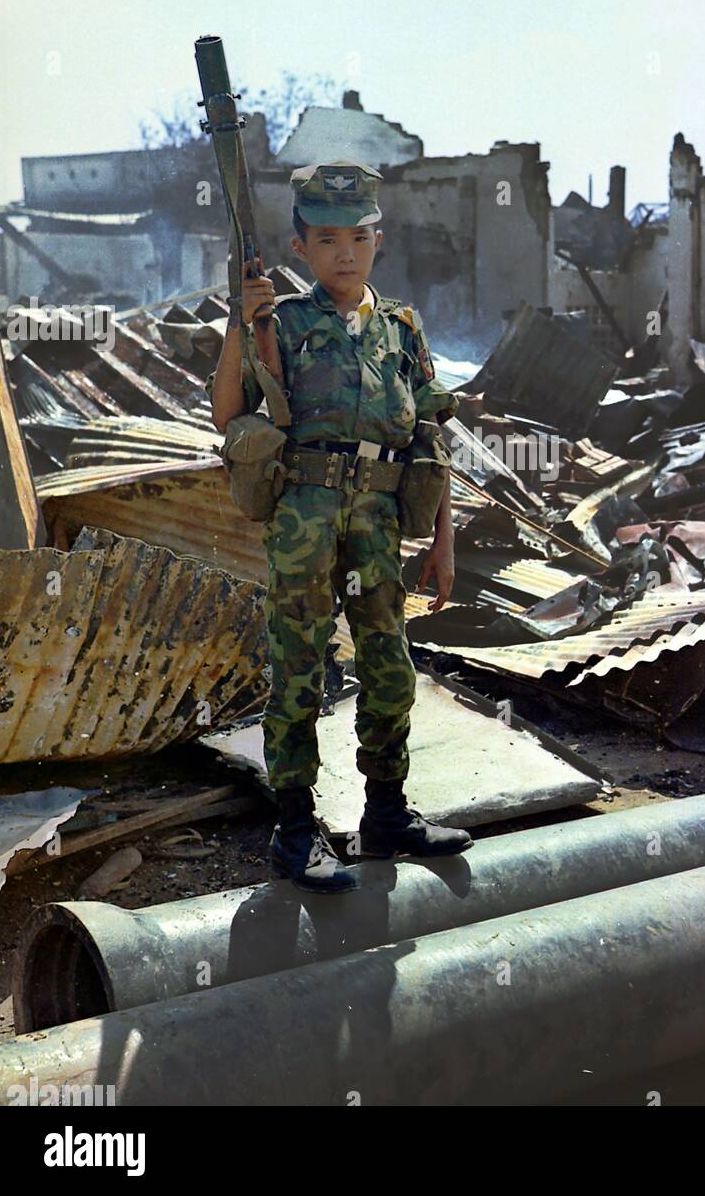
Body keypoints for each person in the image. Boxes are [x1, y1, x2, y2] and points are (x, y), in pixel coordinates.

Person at [209, 159, 473, 892]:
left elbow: (430, 435)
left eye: (357, 236)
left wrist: (444, 541)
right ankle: (296, 832)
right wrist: (240, 321)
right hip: (304, 515)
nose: (344, 252)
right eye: (326, 239)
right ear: (302, 249)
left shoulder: (401, 331)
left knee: (390, 668)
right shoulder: (282, 323)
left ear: (377, 240)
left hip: (379, 523)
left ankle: (385, 814)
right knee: (297, 669)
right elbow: (228, 413)